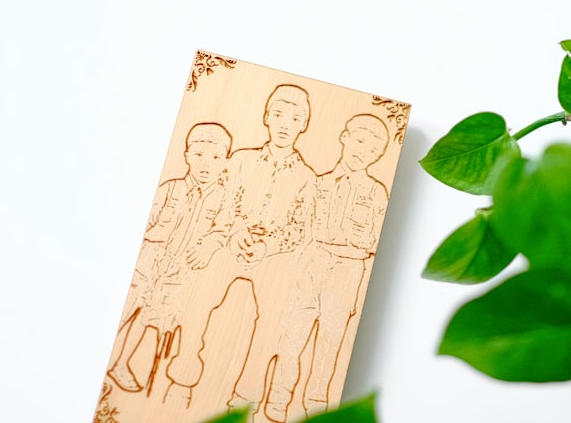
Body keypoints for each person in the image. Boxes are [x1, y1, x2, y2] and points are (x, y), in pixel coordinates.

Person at [264, 113, 391, 421]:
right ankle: (277, 400)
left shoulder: (375, 192)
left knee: (331, 342)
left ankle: (316, 404)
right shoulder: (317, 184)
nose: (363, 152)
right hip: (312, 263)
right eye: (360, 141)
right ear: (344, 137)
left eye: (374, 151)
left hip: (348, 270)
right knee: (292, 336)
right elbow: (296, 226)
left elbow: (374, 239)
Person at [212, 84, 319, 418]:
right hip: (231, 246)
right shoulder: (240, 160)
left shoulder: (306, 177)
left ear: (304, 124)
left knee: (274, 317)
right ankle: (185, 375)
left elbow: (300, 228)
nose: (285, 124)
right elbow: (224, 202)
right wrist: (237, 233)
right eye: (278, 115)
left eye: (295, 117)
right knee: (201, 287)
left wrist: (267, 246)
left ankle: (244, 397)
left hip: (272, 257)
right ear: (266, 117)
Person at [107, 122, 235, 398]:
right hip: (146, 266)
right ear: (187, 155)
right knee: (127, 308)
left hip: (177, 273)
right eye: (199, 155)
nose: (206, 164)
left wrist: (208, 247)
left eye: (214, 158)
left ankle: (122, 363)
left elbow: (222, 231)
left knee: (149, 316)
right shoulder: (169, 188)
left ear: (225, 162)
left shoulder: (222, 198)